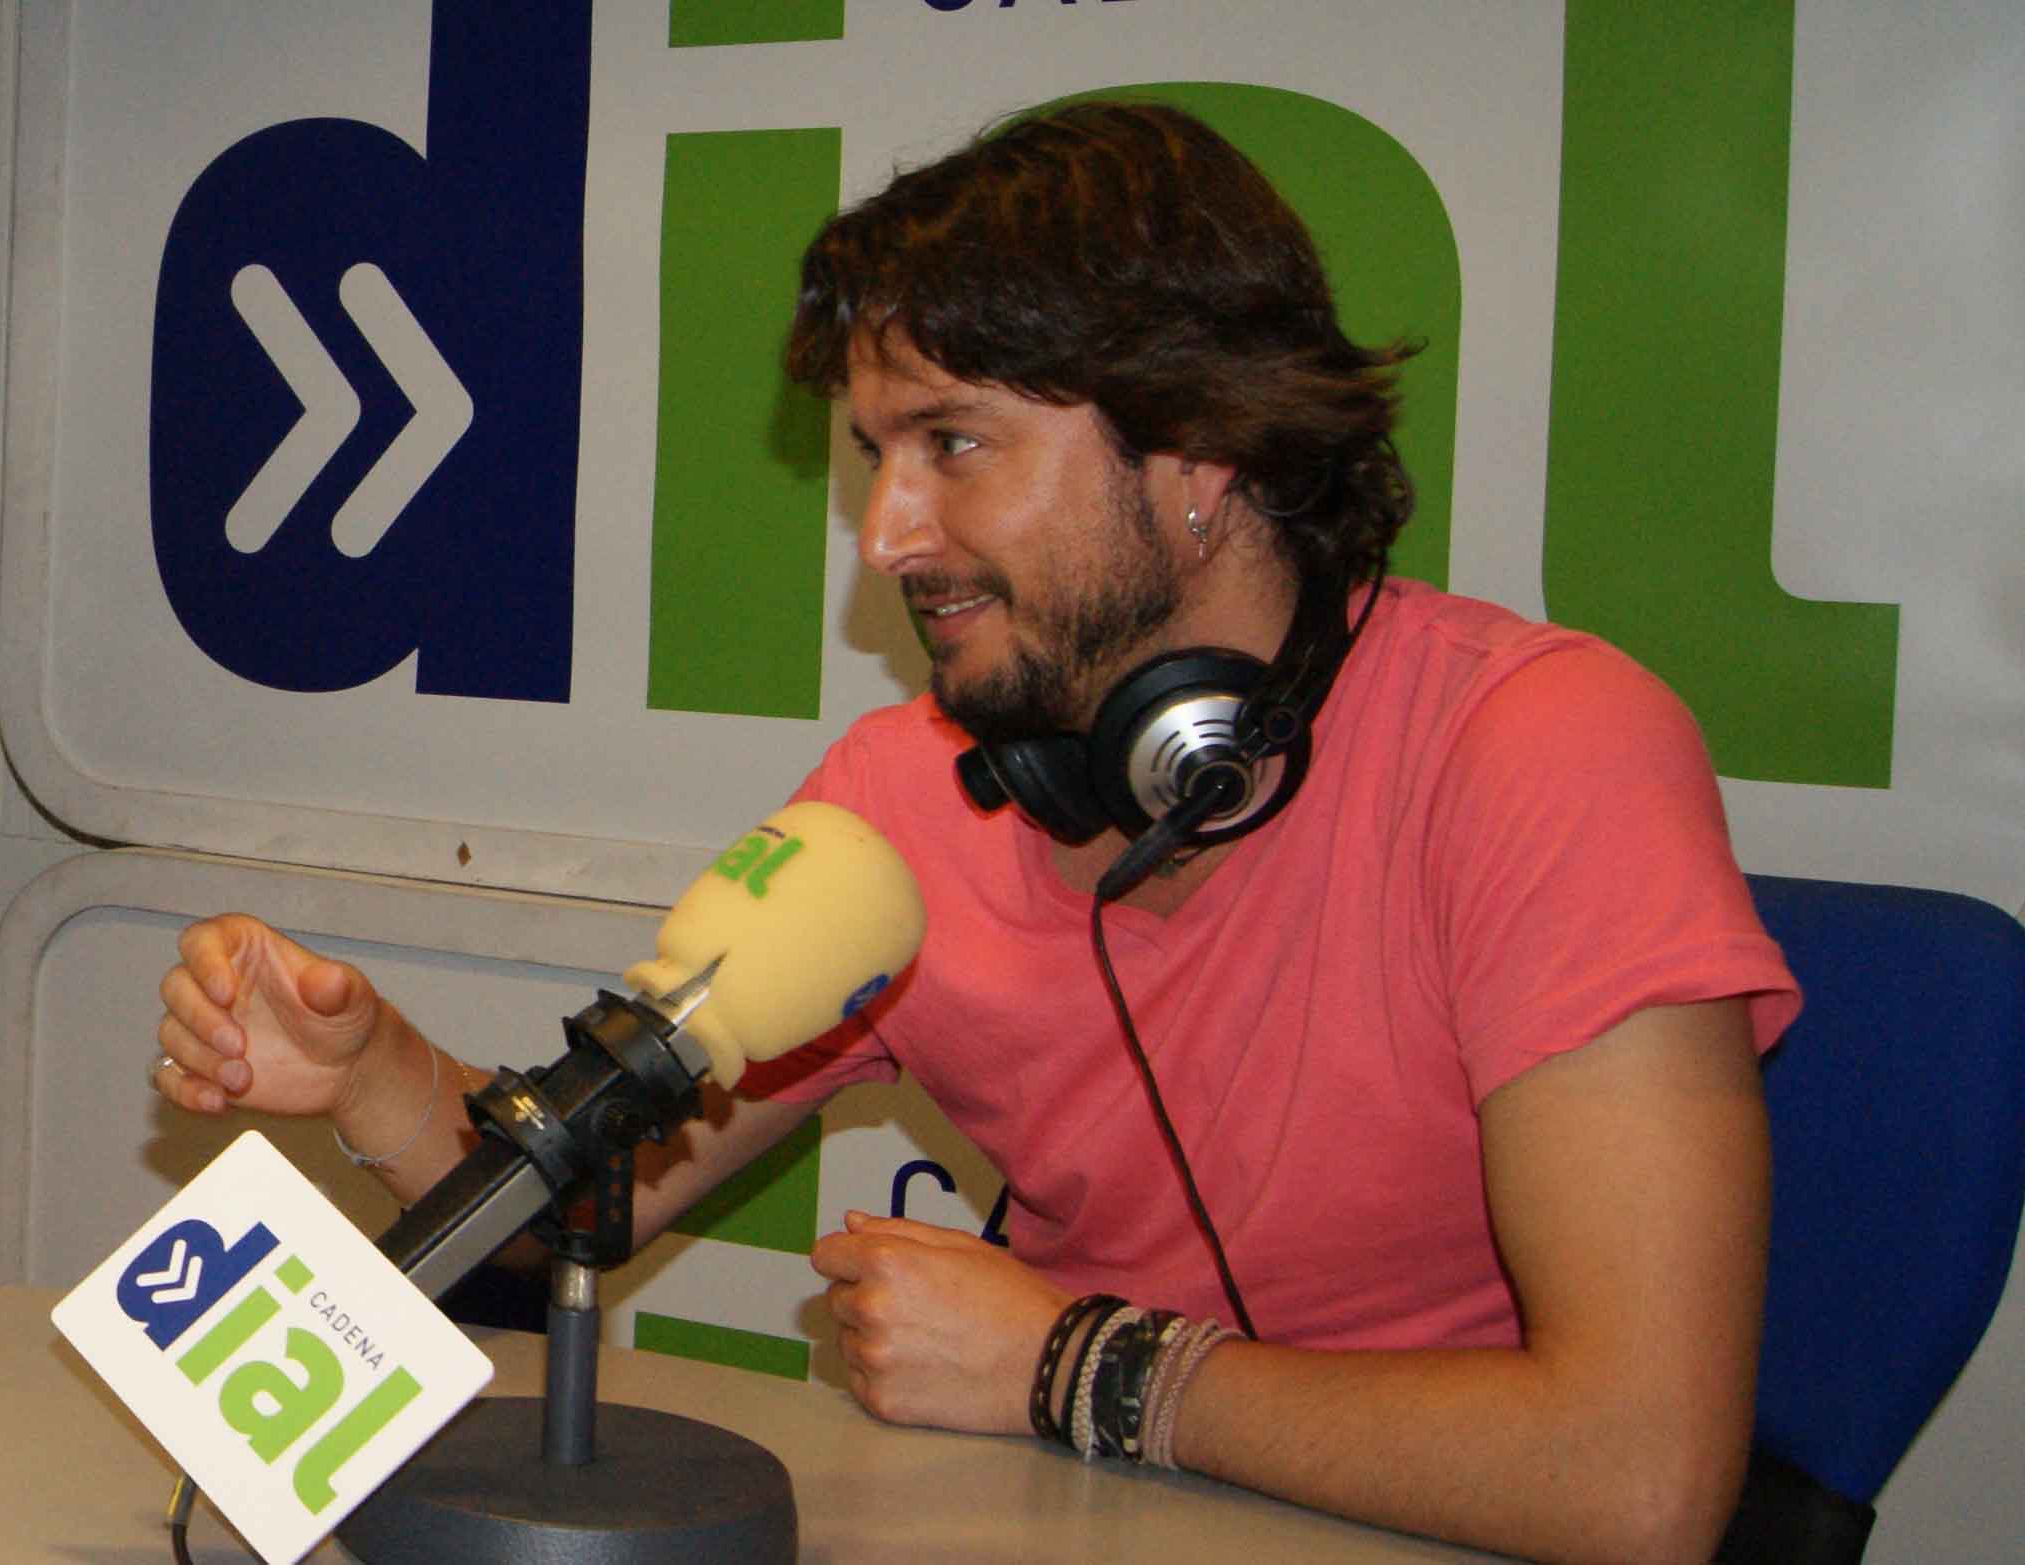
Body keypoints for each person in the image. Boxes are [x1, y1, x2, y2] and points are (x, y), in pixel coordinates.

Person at [153, 101, 1798, 1564]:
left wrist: (1071, 1365)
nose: (884, 534)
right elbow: (591, 1200)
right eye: (874, 457)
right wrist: (370, 1072)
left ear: (1199, 449)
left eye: (951, 442)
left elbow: (1632, 1479)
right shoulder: (907, 799)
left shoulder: (1542, 749)